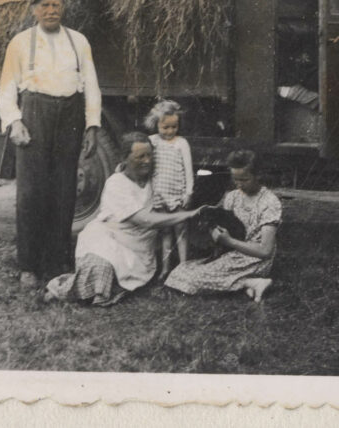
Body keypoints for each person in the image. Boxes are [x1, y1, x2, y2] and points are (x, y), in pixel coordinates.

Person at [0, 0, 102, 288]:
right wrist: (15, 122)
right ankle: (29, 265)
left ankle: (57, 261)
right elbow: (7, 87)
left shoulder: (79, 41)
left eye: (56, 5)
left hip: (69, 114)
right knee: (31, 192)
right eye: (45, 6)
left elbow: (91, 84)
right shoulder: (20, 42)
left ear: (63, 8)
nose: (51, 11)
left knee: (64, 189)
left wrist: (92, 124)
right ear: (34, 10)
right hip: (35, 113)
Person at [45, 132, 198, 306]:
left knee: (117, 277)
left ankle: (92, 289)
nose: (147, 161)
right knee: (102, 265)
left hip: (139, 250)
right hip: (107, 238)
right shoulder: (116, 183)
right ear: (124, 159)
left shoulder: (153, 181)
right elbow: (146, 220)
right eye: (140, 156)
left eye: (149, 155)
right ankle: (63, 290)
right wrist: (188, 215)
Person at [164, 150, 281, 302]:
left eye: (244, 180)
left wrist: (230, 241)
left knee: (192, 280)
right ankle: (250, 283)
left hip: (255, 259)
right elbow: (220, 221)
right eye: (235, 179)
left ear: (257, 175)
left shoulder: (270, 202)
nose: (239, 184)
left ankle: (250, 280)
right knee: (179, 272)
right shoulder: (233, 196)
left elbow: (265, 251)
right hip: (231, 254)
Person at [145, 99, 194, 278]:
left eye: (174, 127)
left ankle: (183, 266)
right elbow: (148, 170)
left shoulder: (181, 143)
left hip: (178, 194)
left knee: (181, 230)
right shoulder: (152, 142)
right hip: (160, 194)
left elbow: (188, 170)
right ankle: (165, 267)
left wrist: (188, 192)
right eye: (165, 127)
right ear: (156, 124)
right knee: (165, 231)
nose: (170, 131)